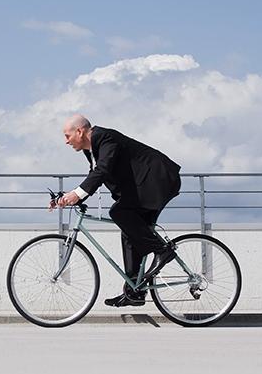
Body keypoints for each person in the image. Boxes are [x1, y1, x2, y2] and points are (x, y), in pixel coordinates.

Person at [54, 114, 181, 307]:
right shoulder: (92, 149)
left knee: (119, 213)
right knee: (130, 232)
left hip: (157, 180)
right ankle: (134, 292)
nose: (66, 141)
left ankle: (163, 251)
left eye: (67, 135)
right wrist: (68, 197)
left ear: (79, 131)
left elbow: (103, 170)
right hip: (143, 186)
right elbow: (95, 174)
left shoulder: (105, 138)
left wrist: (77, 194)